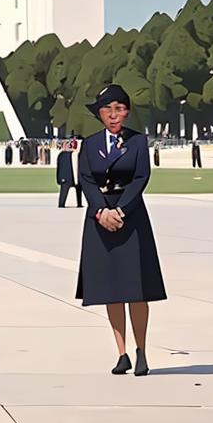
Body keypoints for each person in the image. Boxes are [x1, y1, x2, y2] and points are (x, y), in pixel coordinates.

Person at [76, 84, 165, 377]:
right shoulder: (89, 145)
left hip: (131, 217)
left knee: (136, 289)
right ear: (99, 114)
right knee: (111, 288)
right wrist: (101, 211)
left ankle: (141, 350)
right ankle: (121, 352)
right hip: (100, 218)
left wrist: (121, 210)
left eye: (119, 109)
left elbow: (141, 178)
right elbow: (87, 180)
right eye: (107, 110)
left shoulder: (138, 142)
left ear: (126, 112)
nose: (113, 116)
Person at [56, 141, 82, 208]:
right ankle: (62, 204)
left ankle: (78, 203)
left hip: (71, 177)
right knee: (64, 192)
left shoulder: (62, 155)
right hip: (68, 177)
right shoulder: (63, 155)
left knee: (77, 190)